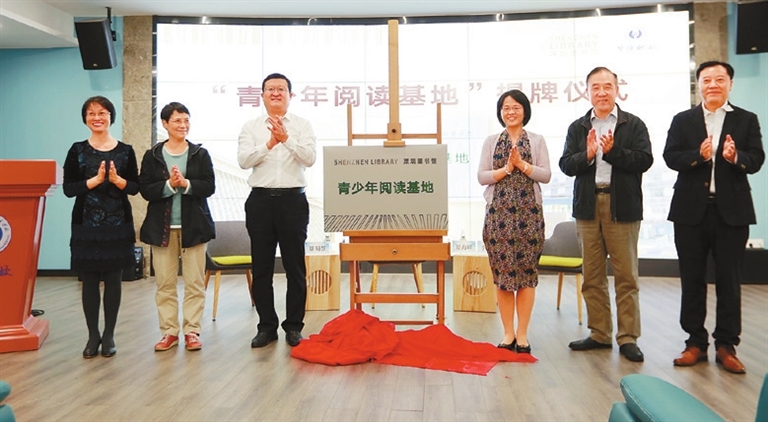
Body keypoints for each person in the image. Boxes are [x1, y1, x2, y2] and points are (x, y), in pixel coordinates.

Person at [663, 61, 764, 374]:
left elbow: (757, 159)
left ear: (730, 84)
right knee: (692, 279)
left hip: (732, 213)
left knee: (729, 281)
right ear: (699, 85)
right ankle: (695, 342)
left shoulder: (746, 119)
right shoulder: (683, 120)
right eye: (707, 80)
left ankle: (726, 345)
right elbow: (670, 156)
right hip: (690, 212)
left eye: (720, 79)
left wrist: (736, 157)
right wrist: (699, 156)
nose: (713, 85)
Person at [559, 67, 653, 362]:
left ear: (616, 89)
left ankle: (628, 337)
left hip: (621, 206)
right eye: (595, 87)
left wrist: (612, 152)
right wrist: (587, 155)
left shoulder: (632, 124)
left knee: (626, 277)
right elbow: (566, 165)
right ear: (587, 91)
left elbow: (644, 160)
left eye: (607, 86)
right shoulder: (578, 127)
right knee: (592, 276)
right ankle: (599, 333)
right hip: (588, 206)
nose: (601, 92)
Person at [237, 73, 317, 348]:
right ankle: (266, 327)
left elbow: (310, 158)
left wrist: (286, 139)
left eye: (281, 89)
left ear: (290, 95)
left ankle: (294, 327)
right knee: (262, 268)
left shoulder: (303, 125)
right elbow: (244, 161)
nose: (275, 93)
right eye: (270, 89)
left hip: (293, 202)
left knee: (295, 268)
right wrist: (270, 143)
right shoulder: (251, 127)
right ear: (262, 95)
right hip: (260, 202)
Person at [63, 96, 139, 358]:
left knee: (114, 280)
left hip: (117, 224)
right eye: (91, 113)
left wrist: (117, 180)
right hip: (86, 225)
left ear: (110, 117)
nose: (97, 117)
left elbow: (134, 187)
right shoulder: (77, 150)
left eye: (102, 112)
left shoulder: (125, 151)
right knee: (90, 281)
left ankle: (109, 336)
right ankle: (92, 335)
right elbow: (68, 189)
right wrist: (94, 181)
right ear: (85, 118)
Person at [478, 89, 551, 354]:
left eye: (516, 107)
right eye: (506, 108)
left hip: (529, 218)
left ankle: (522, 335)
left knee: (526, 276)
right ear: (501, 113)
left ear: (525, 111)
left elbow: (545, 175)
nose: (511, 112)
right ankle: (508, 333)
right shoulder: (491, 141)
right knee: (503, 276)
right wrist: (507, 169)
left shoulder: (537, 140)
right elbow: (482, 176)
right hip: (498, 217)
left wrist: (522, 165)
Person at [139, 102, 216, 352]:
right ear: (164, 124)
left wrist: (186, 183)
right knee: (165, 284)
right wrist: (170, 185)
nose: (183, 125)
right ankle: (169, 332)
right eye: (177, 121)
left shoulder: (199, 154)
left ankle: (192, 331)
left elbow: (209, 186)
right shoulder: (153, 155)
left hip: (194, 227)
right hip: (162, 228)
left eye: (186, 120)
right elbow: (145, 189)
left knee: (195, 283)